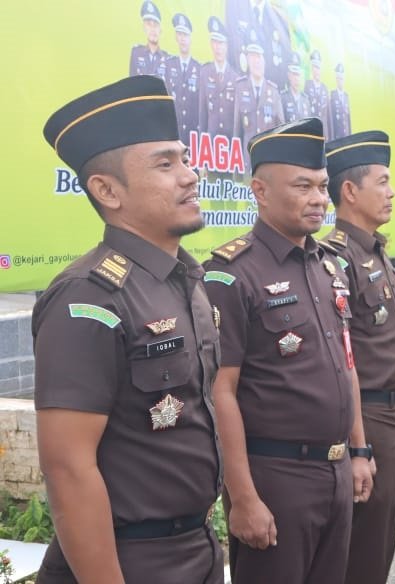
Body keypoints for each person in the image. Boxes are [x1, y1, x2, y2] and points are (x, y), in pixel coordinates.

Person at [35, 75, 222, 583]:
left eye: (185, 159)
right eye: (166, 164)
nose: (189, 176)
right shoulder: (90, 296)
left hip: (196, 549)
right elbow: (69, 469)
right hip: (127, 562)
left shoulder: (184, 278)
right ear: (107, 190)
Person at [202, 118, 373, 583]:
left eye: (321, 186)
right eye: (303, 186)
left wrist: (358, 449)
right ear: (259, 189)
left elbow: (346, 364)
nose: (319, 198)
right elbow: (221, 393)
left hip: (335, 472)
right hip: (277, 478)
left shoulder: (328, 265)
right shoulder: (231, 273)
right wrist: (242, 498)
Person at [322, 130, 395, 584]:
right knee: (363, 546)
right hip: (370, 416)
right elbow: (343, 357)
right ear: (350, 191)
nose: (392, 191)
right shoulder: (336, 258)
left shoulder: (377, 251)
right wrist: (359, 443)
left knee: (381, 538)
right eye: (382, 181)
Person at [231, 28, 284, 172]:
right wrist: (236, 168)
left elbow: (281, 131)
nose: (256, 62)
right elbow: (237, 131)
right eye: (252, 57)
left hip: (268, 164)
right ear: (247, 60)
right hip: (247, 164)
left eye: (259, 57)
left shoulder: (273, 91)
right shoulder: (240, 87)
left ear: (265, 61)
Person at [163, 13, 201, 147]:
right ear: (176, 37)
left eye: (185, 35)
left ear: (190, 38)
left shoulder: (200, 69)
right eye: (180, 34)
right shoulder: (168, 65)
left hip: (193, 137)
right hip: (173, 134)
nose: (183, 39)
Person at [198, 16, 235, 140]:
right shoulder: (205, 72)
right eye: (215, 42)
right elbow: (202, 114)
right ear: (211, 44)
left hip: (230, 144)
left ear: (226, 46)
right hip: (210, 143)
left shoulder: (236, 78)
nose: (217, 47)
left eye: (221, 43)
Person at [129, 0, 170, 77]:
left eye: (155, 25)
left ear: (160, 30)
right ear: (144, 28)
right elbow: (131, 82)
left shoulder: (167, 59)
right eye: (149, 24)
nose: (152, 29)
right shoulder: (136, 53)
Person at [281, 53, 312, 123]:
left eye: (298, 75)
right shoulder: (283, 98)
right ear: (289, 76)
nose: (296, 78)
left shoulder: (305, 100)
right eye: (294, 74)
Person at [305, 51, 331, 131]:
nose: (317, 70)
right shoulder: (307, 85)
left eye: (318, 67)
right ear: (312, 69)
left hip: (324, 130)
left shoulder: (325, 88)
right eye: (315, 67)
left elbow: (328, 115)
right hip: (312, 129)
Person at [330, 63, 352, 140]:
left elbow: (348, 118)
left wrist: (350, 135)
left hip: (346, 136)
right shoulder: (332, 95)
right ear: (336, 79)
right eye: (339, 78)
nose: (340, 81)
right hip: (337, 136)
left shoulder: (346, 96)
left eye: (342, 79)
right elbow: (331, 118)